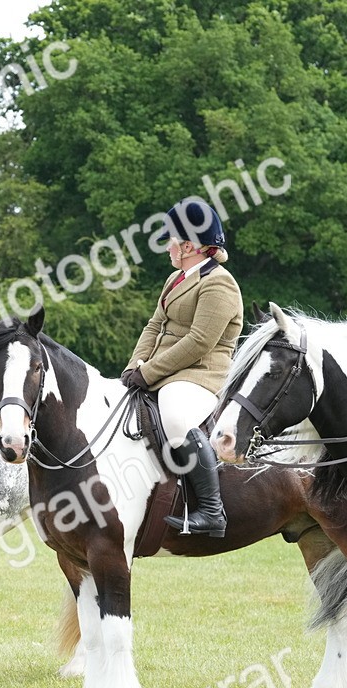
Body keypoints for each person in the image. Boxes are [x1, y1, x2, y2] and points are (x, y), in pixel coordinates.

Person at [122, 198, 243, 538]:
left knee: (175, 417)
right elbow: (153, 327)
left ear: (189, 245)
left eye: (171, 240)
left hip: (201, 375)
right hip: (168, 369)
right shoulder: (176, 278)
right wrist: (134, 366)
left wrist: (148, 373)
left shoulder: (219, 283)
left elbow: (199, 341)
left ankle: (211, 511)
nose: (168, 246)